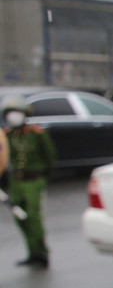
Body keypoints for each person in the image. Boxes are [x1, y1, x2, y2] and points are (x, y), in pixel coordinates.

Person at [2, 95, 55, 268]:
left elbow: (50, 157)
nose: (13, 116)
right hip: (16, 182)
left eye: (16, 112)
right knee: (20, 217)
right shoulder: (7, 135)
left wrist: (42, 178)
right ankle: (32, 252)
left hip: (34, 180)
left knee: (33, 216)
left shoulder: (37, 133)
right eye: (10, 113)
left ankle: (42, 252)